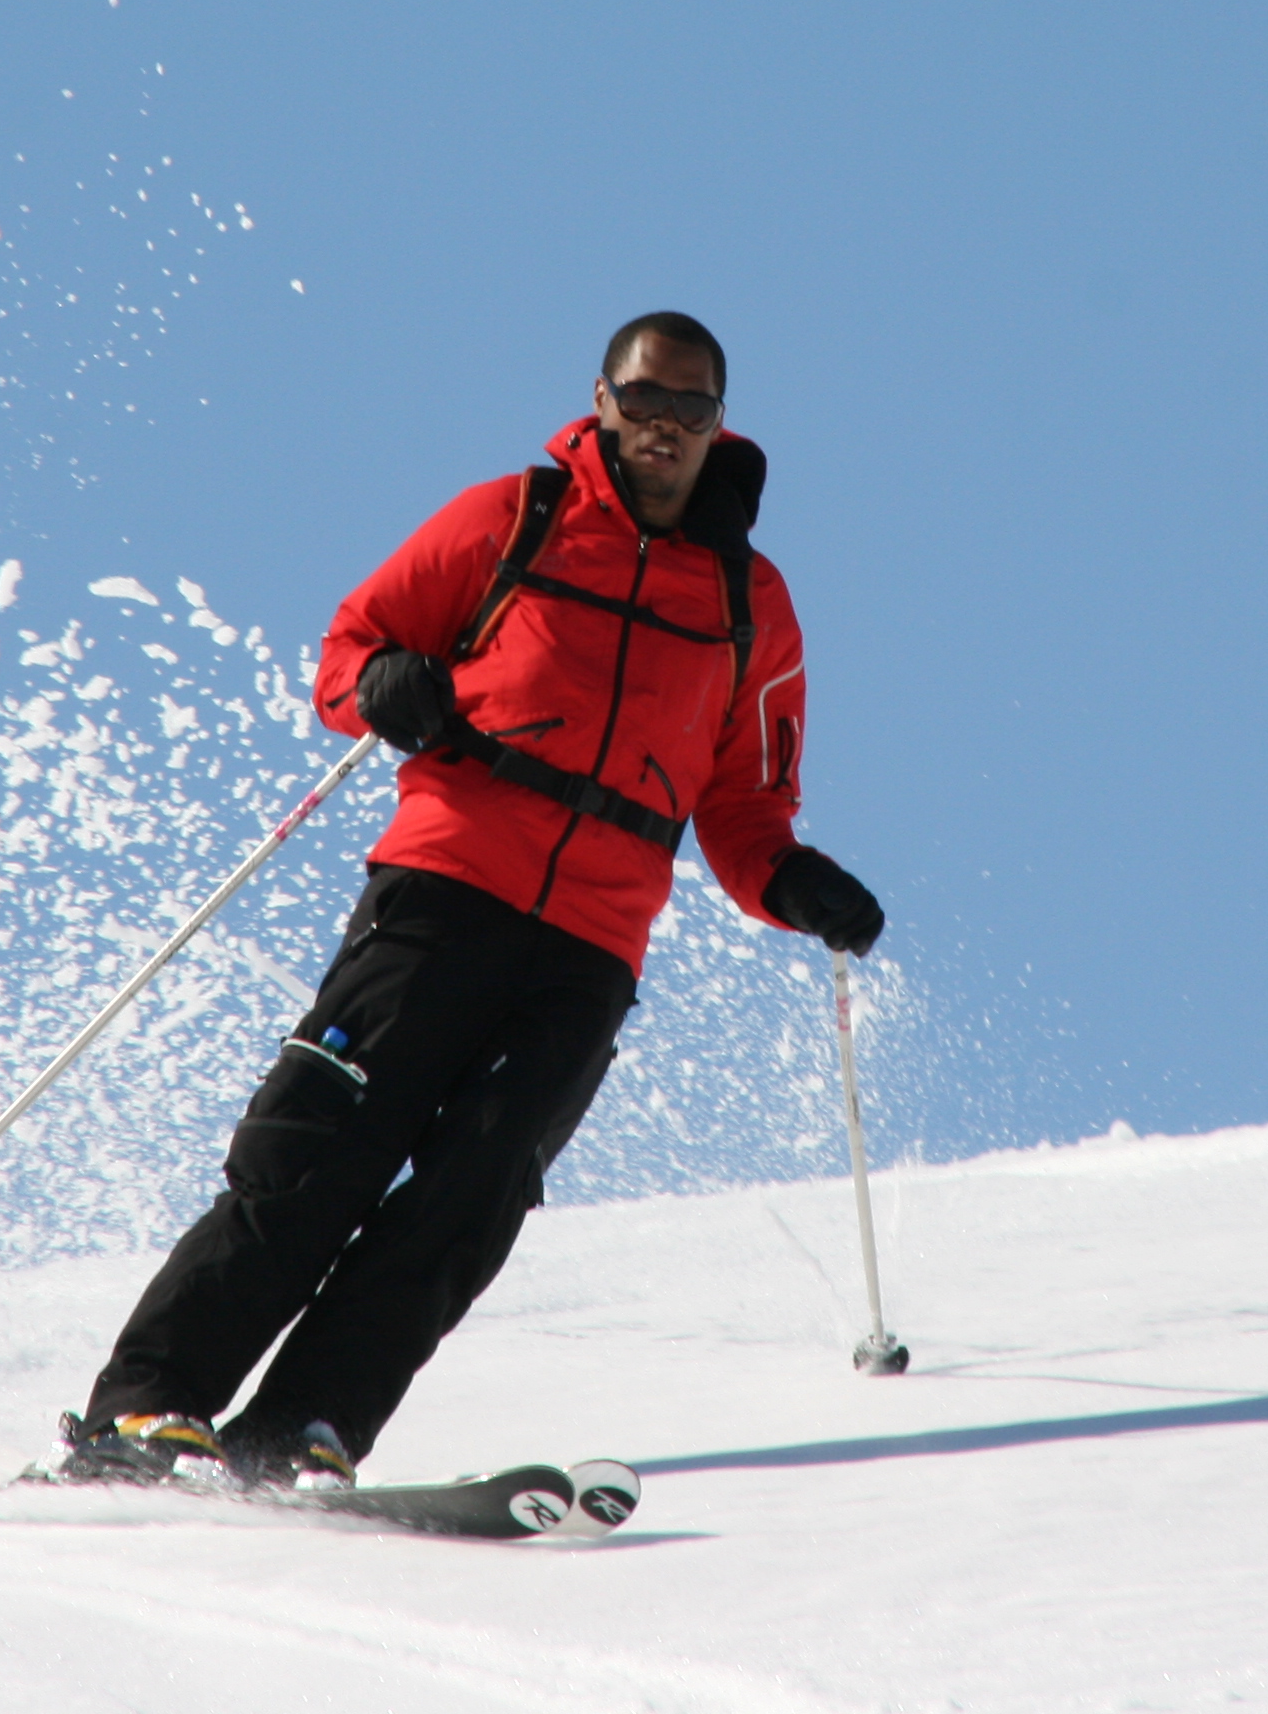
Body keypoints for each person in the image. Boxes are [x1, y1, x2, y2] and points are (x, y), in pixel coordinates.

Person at [55, 310, 887, 1491]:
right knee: (319, 1152)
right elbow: (350, 650)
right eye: (643, 400)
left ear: (718, 424)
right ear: (600, 399)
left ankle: (301, 1431)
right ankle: (147, 1406)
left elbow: (744, 809)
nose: (663, 426)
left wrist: (791, 882)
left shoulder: (753, 604)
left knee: (474, 1193)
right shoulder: (512, 520)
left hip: (592, 948)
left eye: (689, 409)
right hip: (443, 891)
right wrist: (388, 684)